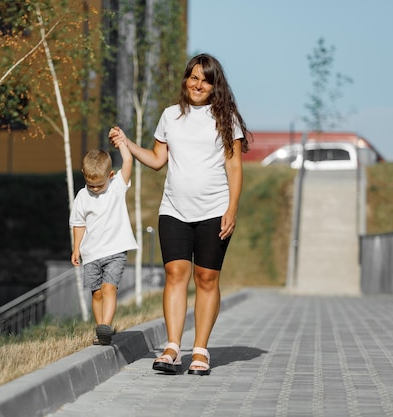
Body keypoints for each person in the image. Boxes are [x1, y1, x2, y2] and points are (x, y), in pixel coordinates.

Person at [109, 53, 251, 375]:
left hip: (214, 211)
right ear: (186, 79)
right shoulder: (170, 116)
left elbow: (234, 166)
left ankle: (200, 351)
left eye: (206, 80)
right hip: (173, 210)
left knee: (206, 278)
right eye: (193, 77)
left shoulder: (226, 119)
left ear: (215, 86)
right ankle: (172, 347)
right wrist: (128, 144)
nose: (198, 84)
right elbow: (158, 160)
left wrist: (232, 208)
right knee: (175, 275)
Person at [70, 144, 138, 346]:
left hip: (115, 251)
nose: (95, 189)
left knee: (109, 288)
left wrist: (123, 144)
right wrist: (76, 248)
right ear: (84, 175)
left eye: (99, 185)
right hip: (91, 253)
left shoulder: (117, 186)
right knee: (96, 293)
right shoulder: (82, 196)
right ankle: (102, 331)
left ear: (110, 175)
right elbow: (78, 223)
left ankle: (106, 325)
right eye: (91, 185)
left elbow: (128, 161)